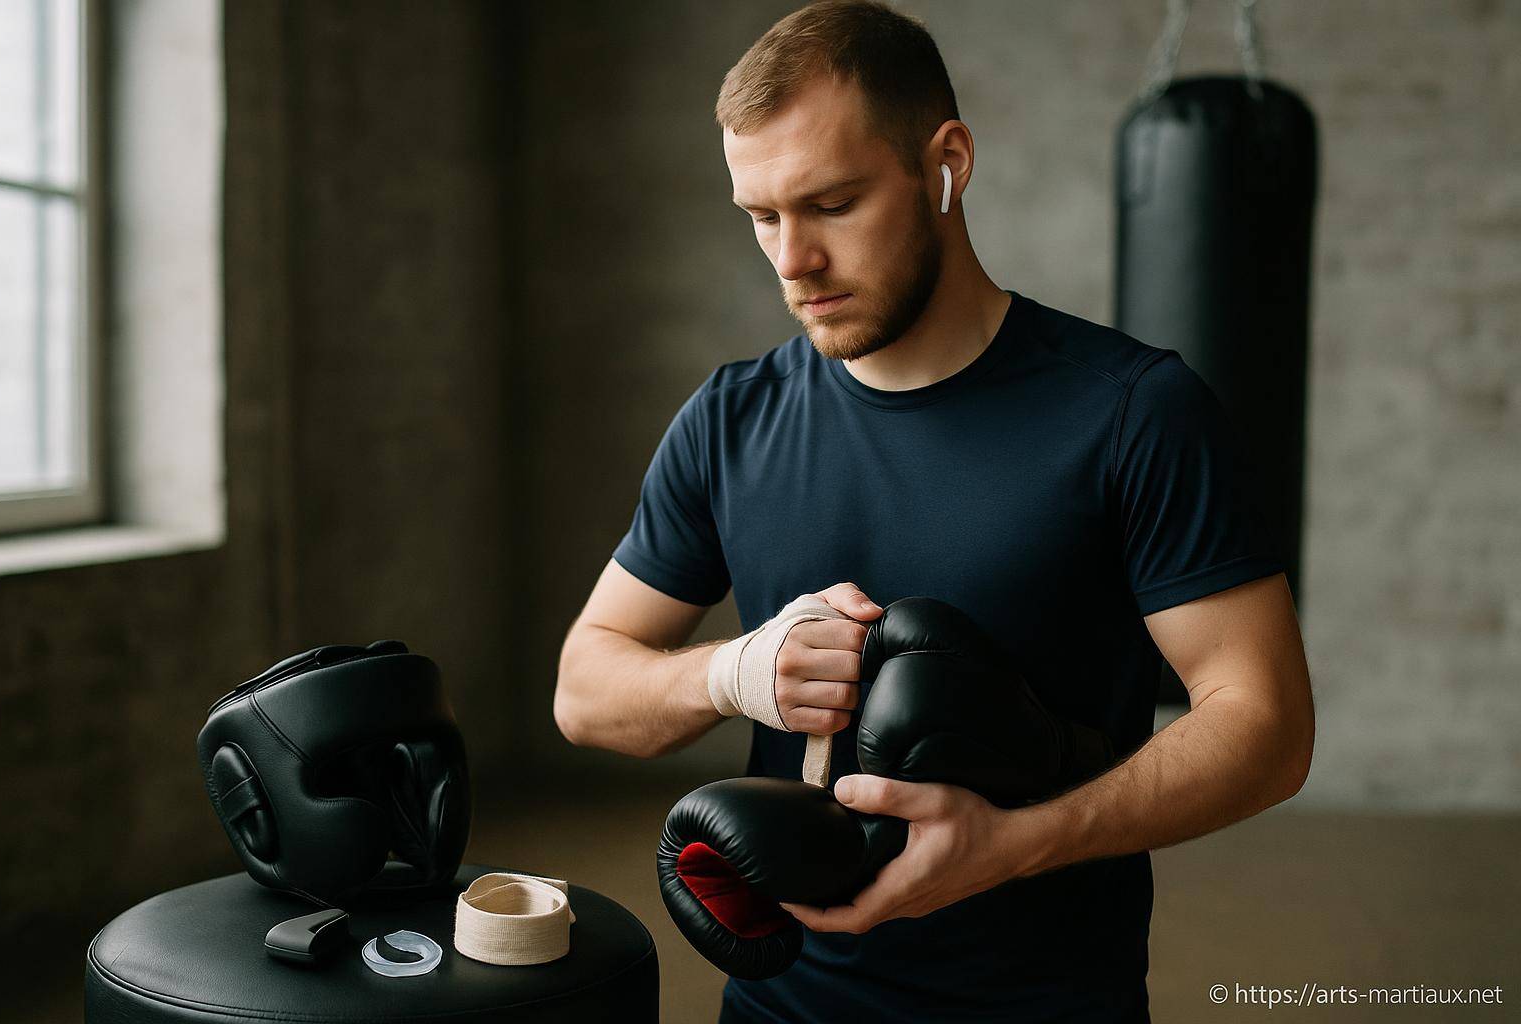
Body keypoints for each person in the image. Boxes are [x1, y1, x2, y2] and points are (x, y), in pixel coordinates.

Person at [553, 2, 1315, 1021]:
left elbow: (1266, 724)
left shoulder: (1134, 413)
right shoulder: (732, 419)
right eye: (761, 216)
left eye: (831, 204)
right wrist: (735, 668)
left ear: (946, 162)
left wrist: (1018, 843)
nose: (792, 260)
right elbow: (585, 687)